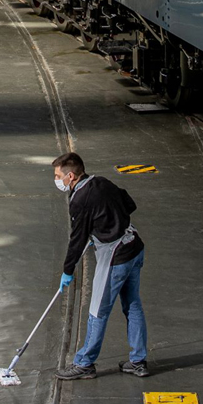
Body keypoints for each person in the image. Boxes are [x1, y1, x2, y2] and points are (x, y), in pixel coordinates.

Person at [51, 151, 149, 379]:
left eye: (58, 176)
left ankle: (85, 363)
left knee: (97, 310)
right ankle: (138, 361)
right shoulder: (101, 182)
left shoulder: (79, 200)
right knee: (132, 305)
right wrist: (107, 223)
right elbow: (129, 204)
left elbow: (76, 240)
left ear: (71, 176)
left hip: (115, 258)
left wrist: (68, 270)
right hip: (134, 247)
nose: (56, 180)